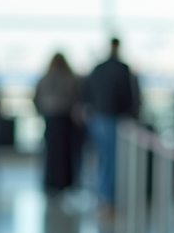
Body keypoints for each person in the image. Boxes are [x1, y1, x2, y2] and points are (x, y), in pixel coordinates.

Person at [82, 39, 135, 214]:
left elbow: (87, 91)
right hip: (113, 118)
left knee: (102, 158)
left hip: (97, 118)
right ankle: (108, 198)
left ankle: (103, 195)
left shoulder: (98, 68)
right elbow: (128, 95)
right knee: (112, 159)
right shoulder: (122, 69)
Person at [35, 53, 80, 194]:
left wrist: (43, 111)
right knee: (65, 153)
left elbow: (36, 99)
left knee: (51, 153)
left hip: (51, 118)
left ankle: (51, 183)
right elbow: (76, 97)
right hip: (65, 118)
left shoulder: (45, 78)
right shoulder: (70, 78)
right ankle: (65, 183)